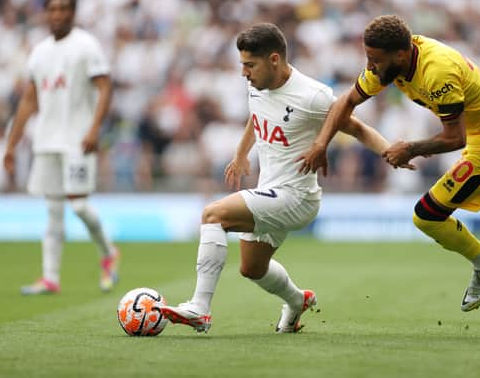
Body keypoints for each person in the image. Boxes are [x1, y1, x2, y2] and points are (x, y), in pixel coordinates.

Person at [298, 15, 480, 329]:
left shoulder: (436, 71)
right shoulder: (393, 62)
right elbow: (346, 102)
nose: (369, 66)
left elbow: (455, 137)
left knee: (426, 215)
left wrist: (409, 148)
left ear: (400, 55)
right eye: (368, 58)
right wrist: (321, 144)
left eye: (374, 60)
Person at [159, 22, 407, 333]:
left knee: (213, 214)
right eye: (242, 65)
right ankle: (296, 300)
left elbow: (356, 127)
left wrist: (390, 153)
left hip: (297, 196)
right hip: (270, 190)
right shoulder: (257, 85)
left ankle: (199, 307)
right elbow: (257, 115)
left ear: (274, 60)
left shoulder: (313, 96)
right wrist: (240, 155)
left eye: (249, 65)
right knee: (252, 268)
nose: (244, 73)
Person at [3, 0, 119, 295]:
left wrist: (94, 128)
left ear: (73, 13)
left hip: (77, 139)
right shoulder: (40, 51)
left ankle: (108, 253)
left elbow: (105, 88)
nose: (56, 14)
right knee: (53, 209)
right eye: (52, 9)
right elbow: (29, 100)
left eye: (62, 9)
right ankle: (50, 277)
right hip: (46, 140)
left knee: (78, 204)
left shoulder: (86, 46)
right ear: (46, 13)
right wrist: (11, 145)